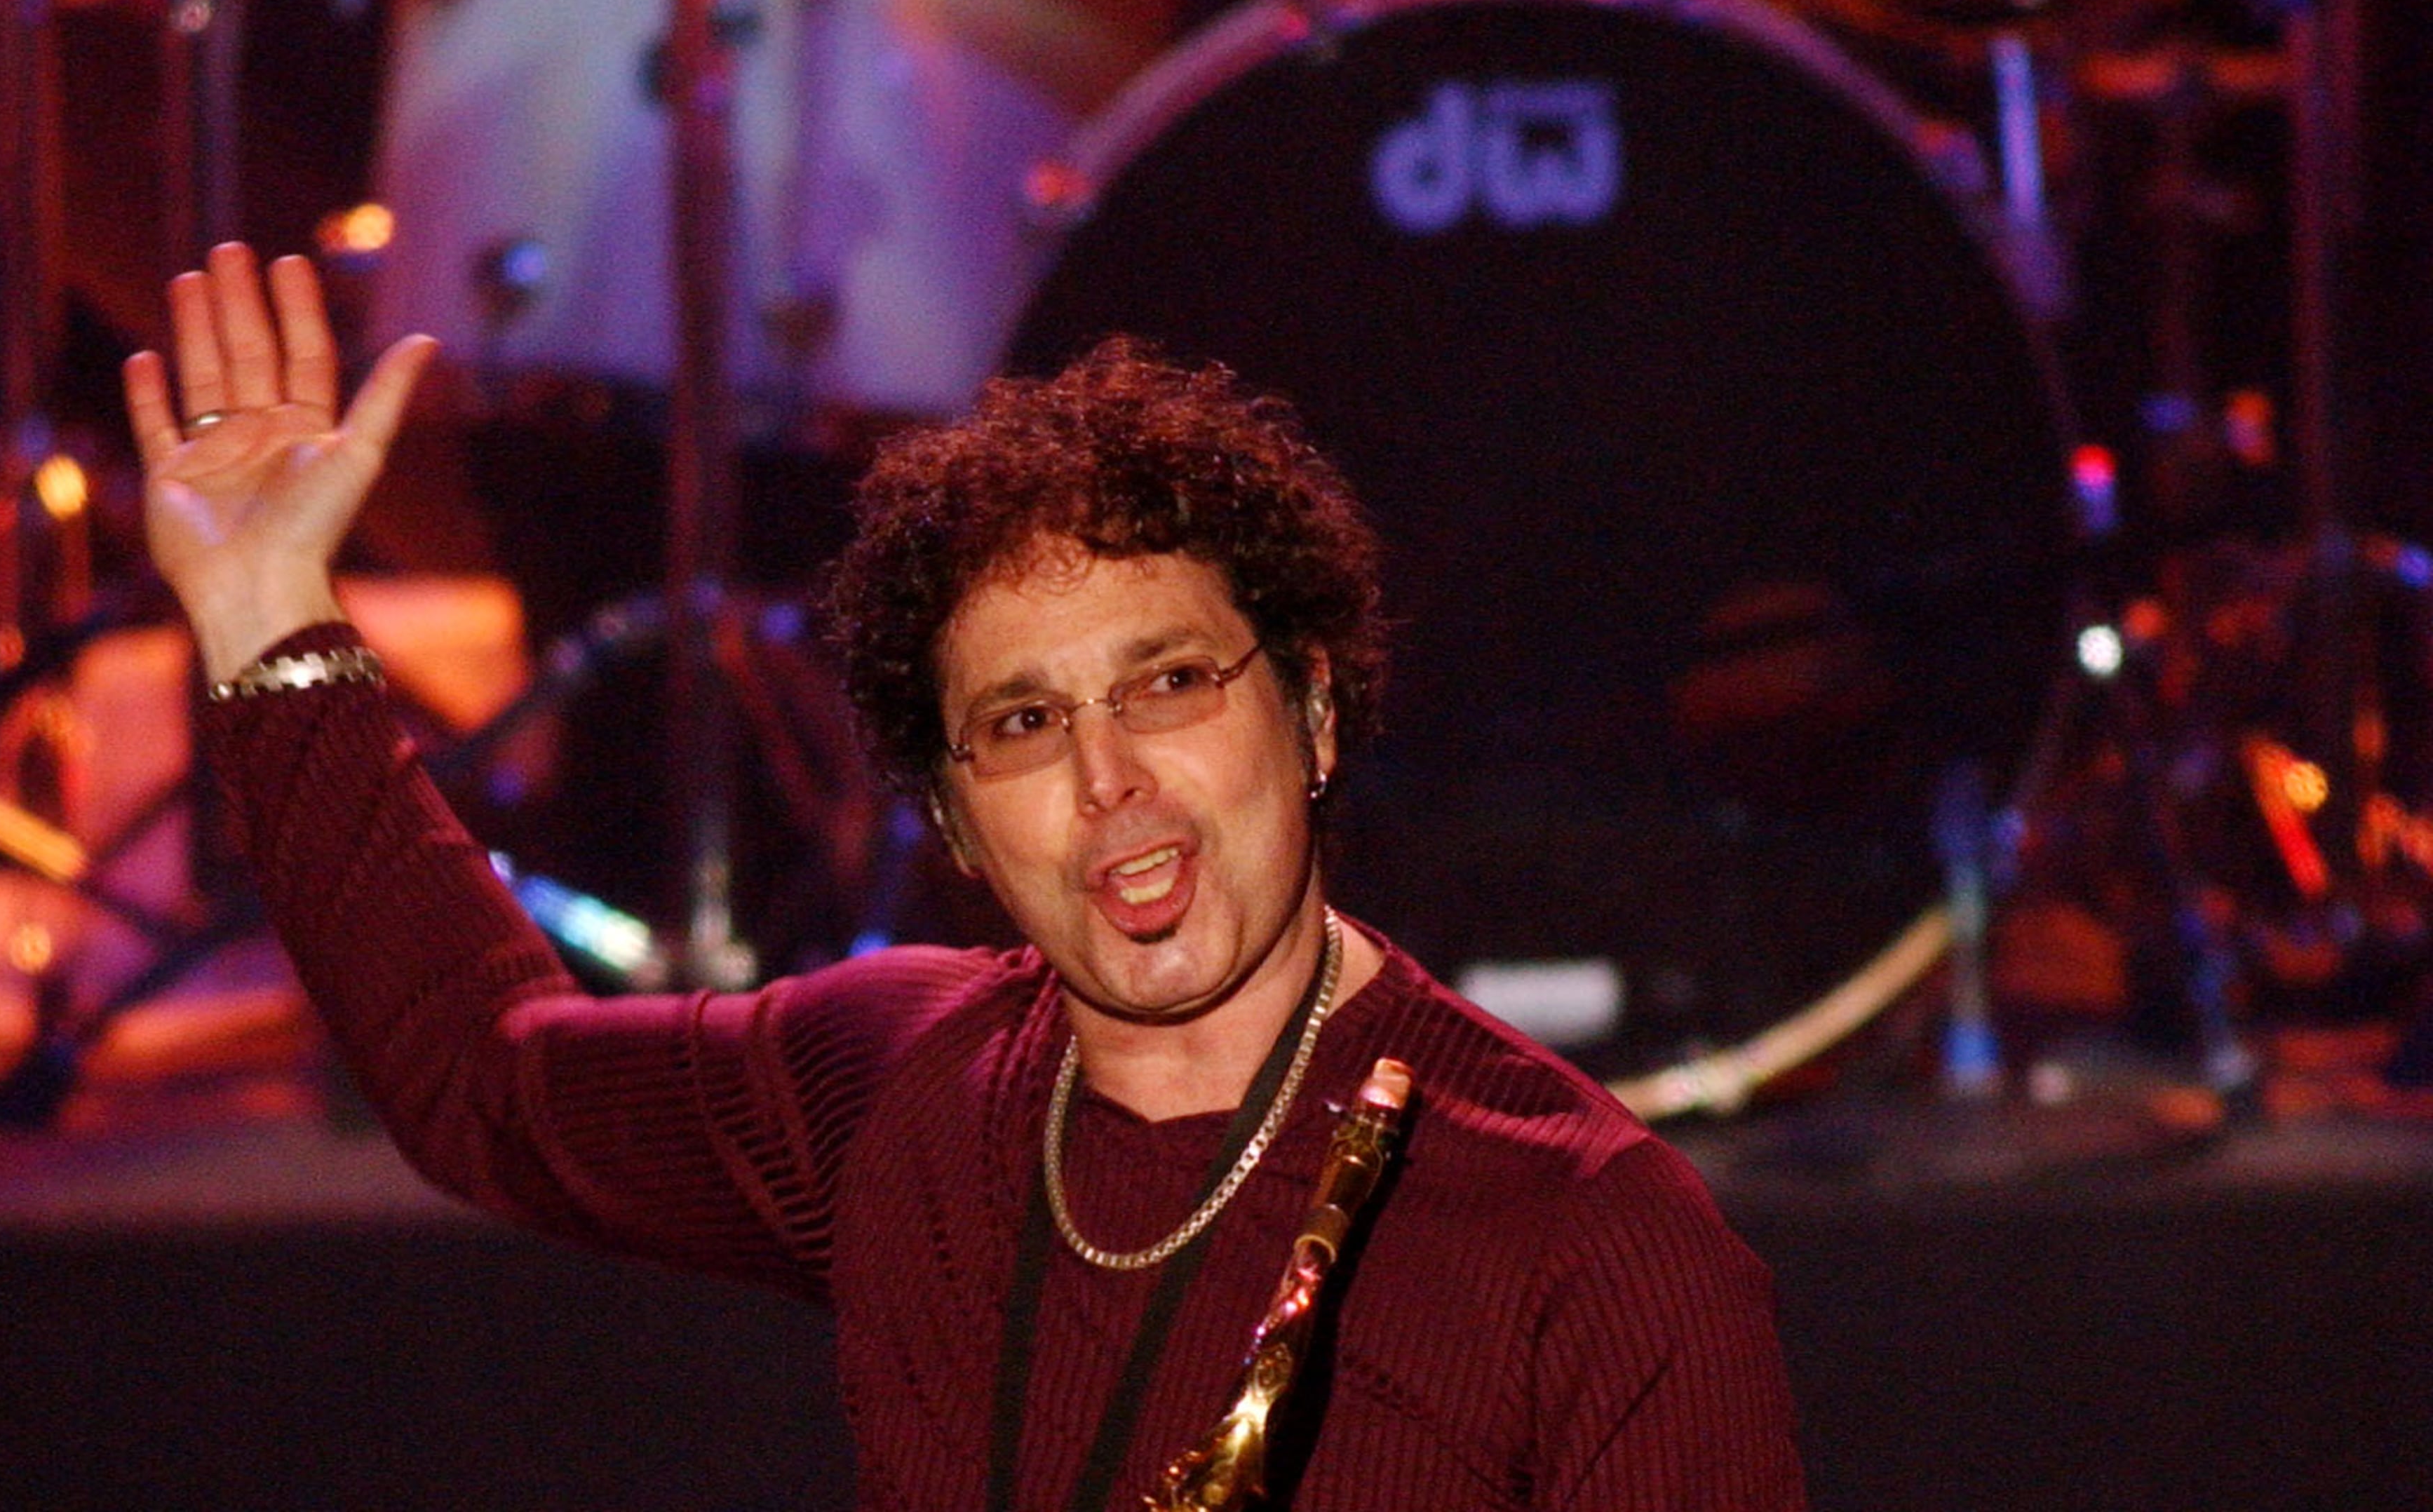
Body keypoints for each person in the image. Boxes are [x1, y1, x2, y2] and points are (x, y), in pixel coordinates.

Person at [124, 241, 1807, 1510]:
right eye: (1021, 722)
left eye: (1169, 681)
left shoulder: (1598, 1245)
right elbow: (490, 1085)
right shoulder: (898, 1085)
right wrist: (271, 614)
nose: (1107, 782)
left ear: (1307, 708)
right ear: (952, 825)